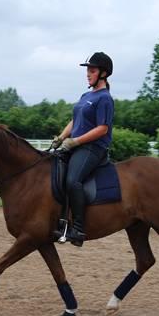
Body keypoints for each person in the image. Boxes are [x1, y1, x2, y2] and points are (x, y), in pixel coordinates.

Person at [51, 52, 115, 247]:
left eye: (92, 70)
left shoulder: (104, 98)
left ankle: (78, 228)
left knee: (73, 180)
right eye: (87, 70)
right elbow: (75, 120)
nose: (88, 73)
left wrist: (76, 141)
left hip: (92, 148)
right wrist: (62, 138)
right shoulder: (86, 95)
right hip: (76, 145)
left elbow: (102, 128)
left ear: (103, 73)